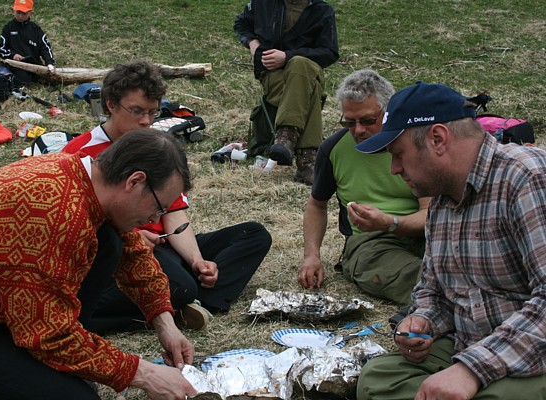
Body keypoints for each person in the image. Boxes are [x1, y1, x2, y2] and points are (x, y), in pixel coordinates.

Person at [0, 129, 199, 399]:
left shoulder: (86, 180)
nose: (155, 216)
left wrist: (166, 325)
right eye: (159, 207)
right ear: (134, 181)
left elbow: (133, 254)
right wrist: (143, 374)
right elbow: (45, 334)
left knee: (109, 242)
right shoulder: (49, 210)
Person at [355, 82, 546, 399]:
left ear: (438, 139)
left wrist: (470, 370)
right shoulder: (440, 201)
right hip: (472, 343)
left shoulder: (527, 177)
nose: (394, 169)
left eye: (398, 154)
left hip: (532, 353)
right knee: (376, 379)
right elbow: (434, 289)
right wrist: (421, 321)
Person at [64, 61, 272, 332]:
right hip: (120, 252)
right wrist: (129, 237)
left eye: (153, 112)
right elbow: (71, 223)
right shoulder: (79, 153)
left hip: (164, 245)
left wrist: (197, 260)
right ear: (111, 105)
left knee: (254, 235)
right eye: (137, 111)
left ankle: (197, 302)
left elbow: (174, 213)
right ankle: (174, 304)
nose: (146, 121)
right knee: (178, 284)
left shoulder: (159, 148)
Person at [297, 70, 428, 306]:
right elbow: (317, 204)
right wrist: (311, 256)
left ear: (388, 112)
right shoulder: (334, 148)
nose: (357, 130)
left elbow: (431, 215)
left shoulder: (414, 144)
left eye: (368, 121)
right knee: (420, 278)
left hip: (424, 233)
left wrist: (390, 222)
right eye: (349, 122)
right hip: (371, 243)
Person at [234, 0, 339, 185]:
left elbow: (329, 52)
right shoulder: (263, 3)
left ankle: (286, 134)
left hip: (307, 72)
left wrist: (287, 57)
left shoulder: (322, 10)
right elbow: (241, 24)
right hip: (273, 76)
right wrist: (253, 44)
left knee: (300, 64)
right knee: (310, 90)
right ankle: (307, 162)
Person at [0, 0, 56, 85]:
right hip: (16, 65)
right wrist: (13, 55)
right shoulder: (8, 28)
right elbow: (1, 49)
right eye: (18, 12)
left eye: (23, 13)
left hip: (35, 65)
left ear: (30, 13)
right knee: (23, 80)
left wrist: (50, 63)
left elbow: (45, 48)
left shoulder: (35, 29)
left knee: (50, 81)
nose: (20, 16)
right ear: (14, 10)